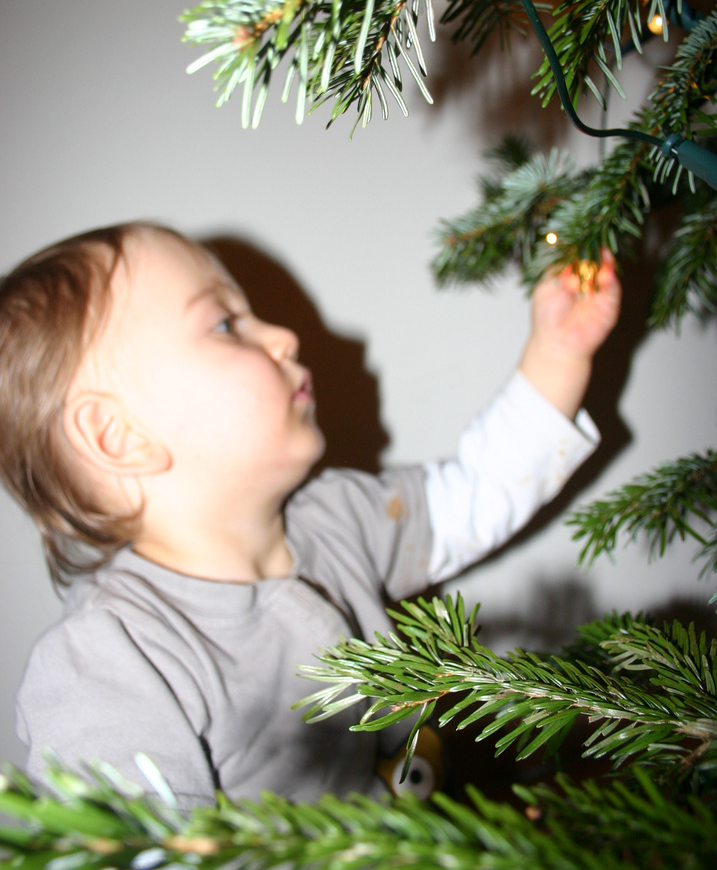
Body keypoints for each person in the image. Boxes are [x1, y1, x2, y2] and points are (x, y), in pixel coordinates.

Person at [1, 221, 621, 815]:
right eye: (224, 323)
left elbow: (478, 491)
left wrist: (559, 353)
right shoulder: (113, 662)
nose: (284, 336)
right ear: (118, 434)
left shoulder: (335, 517)